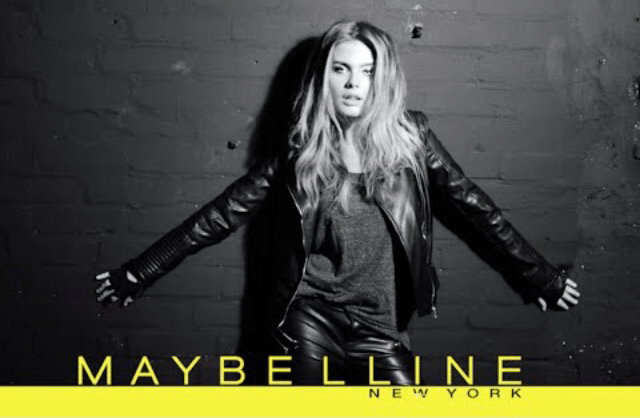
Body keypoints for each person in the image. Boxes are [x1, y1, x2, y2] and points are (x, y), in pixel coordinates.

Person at [94, 20, 580, 385]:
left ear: (380, 80)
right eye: (341, 69)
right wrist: (140, 272)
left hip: (382, 328)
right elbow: (220, 215)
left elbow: (474, 207)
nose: (353, 83)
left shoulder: (412, 140)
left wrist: (536, 277)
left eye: (367, 72)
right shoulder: (299, 153)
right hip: (311, 319)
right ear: (323, 78)